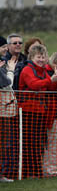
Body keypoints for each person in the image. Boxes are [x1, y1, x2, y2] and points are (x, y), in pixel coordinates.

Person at [18, 44, 57, 178]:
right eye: (39, 57)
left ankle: (37, 171)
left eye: (43, 57)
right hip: (28, 111)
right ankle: (28, 172)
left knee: (39, 142)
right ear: (32, 57)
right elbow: (33, 85)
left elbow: (52, 87)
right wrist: (51, 79)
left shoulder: (43, 71)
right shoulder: (27, 69)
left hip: (41, 111)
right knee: (30, 142)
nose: (41, 60)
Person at [0, 37, 17, 182]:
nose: (6, 49)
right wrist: (10, 71)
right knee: (4, 142)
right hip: (3, 109)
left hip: (6, 108)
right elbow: (6, 83)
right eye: (3, 46)